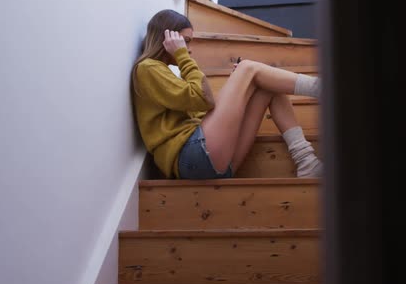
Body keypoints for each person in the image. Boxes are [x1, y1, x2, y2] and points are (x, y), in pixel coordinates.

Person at [131, 9, 322, 180]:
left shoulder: (162, 71)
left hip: (213, 160)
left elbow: (203, 107)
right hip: (191, 156)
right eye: (185, 41)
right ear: (167, 38)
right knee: (247, 67)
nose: (188, 49)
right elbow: (203, 99)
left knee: (267, 85)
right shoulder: (147, 68)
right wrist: (182, 56)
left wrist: (241, 88)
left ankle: (306, 160)